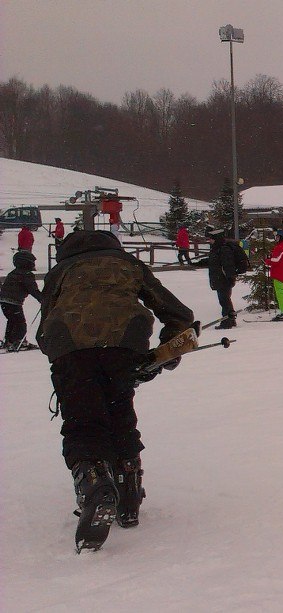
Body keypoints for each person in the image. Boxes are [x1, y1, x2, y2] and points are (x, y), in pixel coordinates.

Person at [35, 229, 194, 551]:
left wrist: (60, 353)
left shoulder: (61, 270)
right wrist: (167, 350)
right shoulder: (128, 264)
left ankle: (95, 485)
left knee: (83, 420)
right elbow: (178, 314)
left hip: (69, 346)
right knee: (120, 410)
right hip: (125, 342)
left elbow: (44, 324)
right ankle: (128, 490)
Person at [195, 227, 238, 329]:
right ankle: (231, 320)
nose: (210, 240)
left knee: (224, 301)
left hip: (223, 279)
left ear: (216, 239)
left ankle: (227, 322)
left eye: (211, 239)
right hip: (221, 279)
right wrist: (199, 263)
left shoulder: (222, 249)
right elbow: (213, 261)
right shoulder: (217, 248)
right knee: (226, 300)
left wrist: (230, 277)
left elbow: (227, 265)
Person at [1, 251, 42, 350]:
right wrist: (42, 298)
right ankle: (19, 341)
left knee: (12, 321)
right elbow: (32, 289)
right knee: (20, 323)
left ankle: (9, 341)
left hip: (4, 301)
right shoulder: (27, 275)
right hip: (14, 302)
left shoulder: (13, 273)